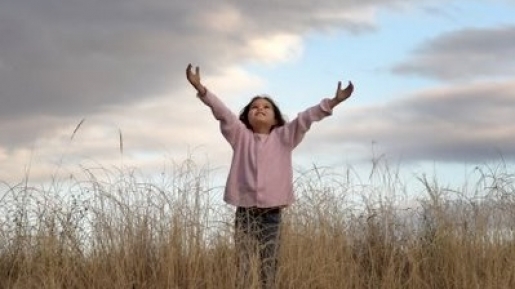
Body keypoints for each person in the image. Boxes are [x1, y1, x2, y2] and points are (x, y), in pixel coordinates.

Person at [185, 63, 354, 289]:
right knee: (243, 266)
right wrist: (201, 88)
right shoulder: (240, 136)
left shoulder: (285, 137)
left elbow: (306, 117)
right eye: (254, 107)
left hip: (272, 214)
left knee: (269, 266)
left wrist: (333, 102)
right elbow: (223, 113)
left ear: (275, 119)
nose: (260, 109)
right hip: (245, 213)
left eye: (266, 107)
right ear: (246, 118)